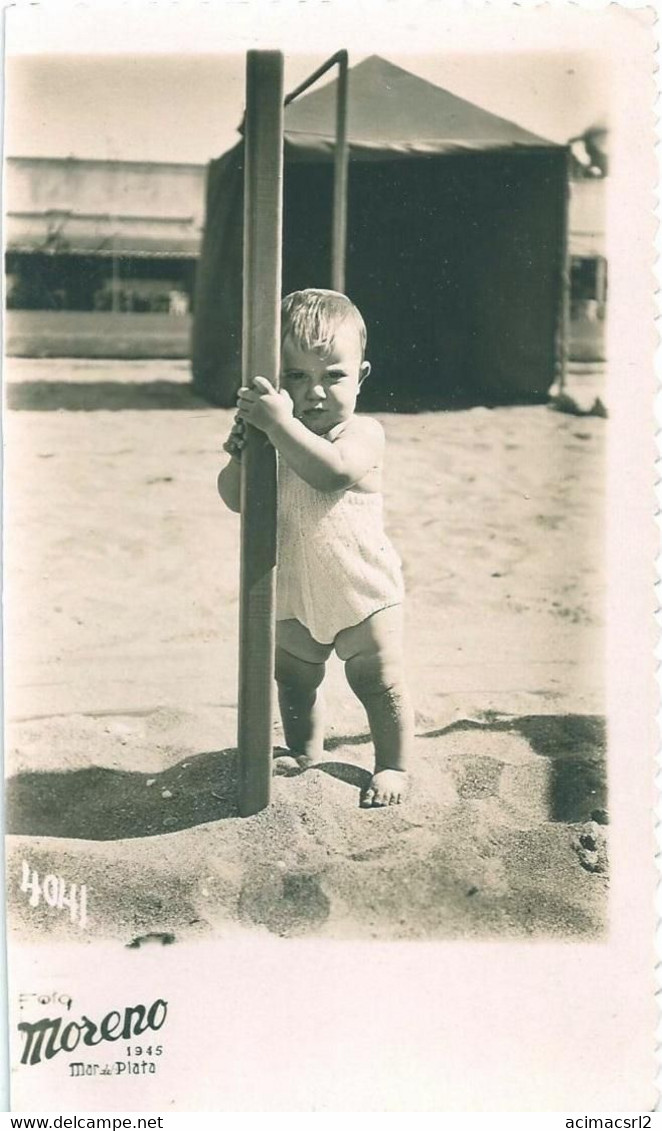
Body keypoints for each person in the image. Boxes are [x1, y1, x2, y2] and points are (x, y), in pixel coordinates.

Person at [217, 288, 413, 807]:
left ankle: (392, 764)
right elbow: (235, 501)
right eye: (296, 377)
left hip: (360, 588)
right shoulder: (275, 436)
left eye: (333, 375)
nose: (315, 393)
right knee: (294, 680)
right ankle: (306, 753)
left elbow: (332, 473)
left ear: (361, 376)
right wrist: (242, 458)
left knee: (378, 682)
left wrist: (279, 426)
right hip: (297, 592)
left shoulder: (363, 432)